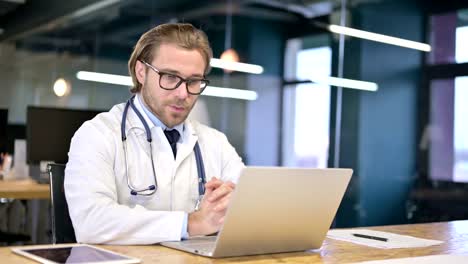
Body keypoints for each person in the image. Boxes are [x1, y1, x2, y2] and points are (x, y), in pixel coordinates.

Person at [64, 23, 245, 245]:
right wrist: (192, 223)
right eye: (170, 77)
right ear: (141, 72)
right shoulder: (98, 135)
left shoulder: (215, 143)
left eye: (194, 81)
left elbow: (252, 206)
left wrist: (233, 204)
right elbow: (91, 223)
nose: (183, 93)